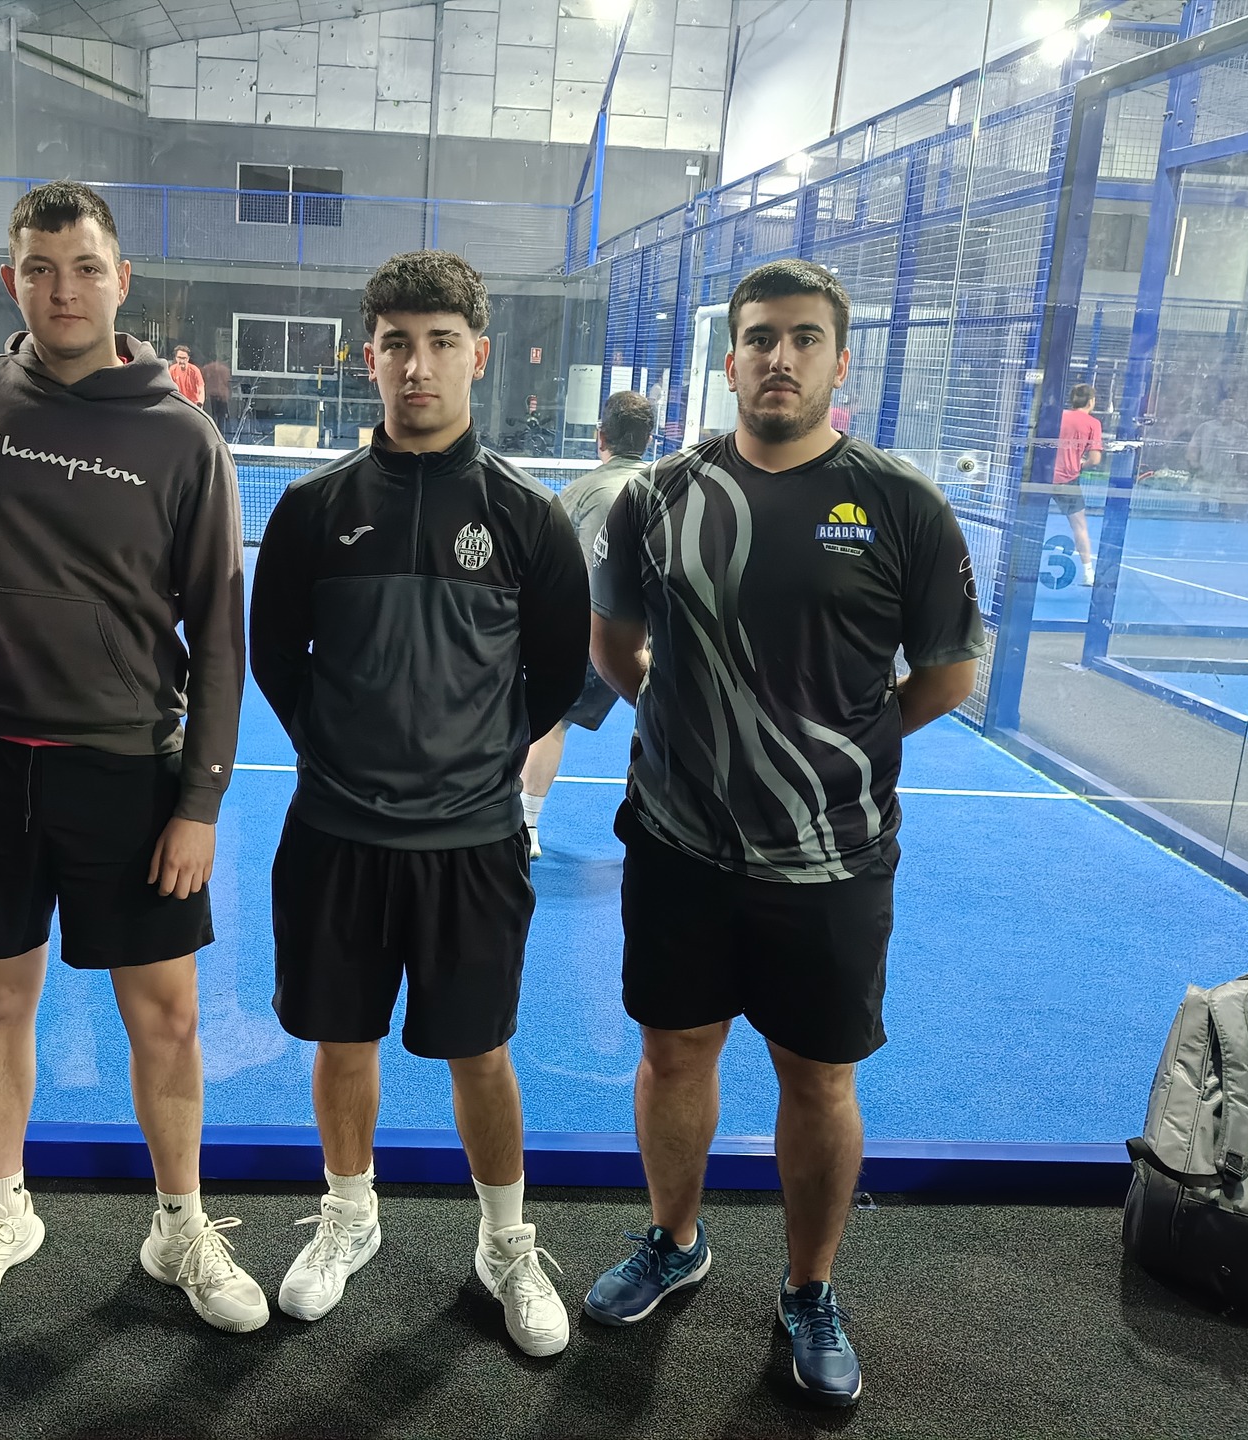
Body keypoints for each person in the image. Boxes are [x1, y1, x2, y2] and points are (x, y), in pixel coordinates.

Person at [583, 259, 985, 1406]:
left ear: (838, 362)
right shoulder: (658, 496)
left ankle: (809, 1289)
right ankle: (675, 1241)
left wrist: (836, 745)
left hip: (833, 858)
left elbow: (946, 676)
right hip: (678, 844)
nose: (780, 357)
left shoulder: (901, 505)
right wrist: (688, 725)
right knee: (675, 1055)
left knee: (819, 1081)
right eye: (760, 337)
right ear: (730, 361)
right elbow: (613, 648)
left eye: (805, 338)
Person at [0, 181, 260, 1333]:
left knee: (169, 1017)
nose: (64, 290)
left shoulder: (181, 434)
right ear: (12, 280)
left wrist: (200, 801)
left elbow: (221, 630)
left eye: (86, 268)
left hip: (128, 768)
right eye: (42, 269)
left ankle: (180, 1224)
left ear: (121, 281)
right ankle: (4, 1209)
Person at [250, 250, 590, 1357]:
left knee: (479, 1053)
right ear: (370, 358)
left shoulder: (530, 519)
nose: (418, 365)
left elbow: (552, 676)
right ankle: (350, 1217)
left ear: (478, 356)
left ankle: (506, 1245)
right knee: (343, 1040)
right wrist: (340, 753)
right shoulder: (311, 510)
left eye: (441, 343)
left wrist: (470, 763)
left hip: (473, 844)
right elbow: (275, 660)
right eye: (397, 343)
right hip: (335, 834)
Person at [519, 389, 654, 857]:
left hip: (591, 632)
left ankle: (527, 825)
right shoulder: (672, 488)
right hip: (658, 634)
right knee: (661, 721)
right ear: (648, 438)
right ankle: (661, 825)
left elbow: (552, 570)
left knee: (551, 722)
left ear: (601, 437)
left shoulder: (577, 493)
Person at [1053, 382, 1104, 585]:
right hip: (1067, 480)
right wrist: (1081, 464)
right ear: (1091, 401)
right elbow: (1095, 459)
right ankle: (1088, 573)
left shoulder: (1058, 416)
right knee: (1080, 526)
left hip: (1042, 476)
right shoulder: (1093, 424)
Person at [169, 343, 207, 408]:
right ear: (176, 358)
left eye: (184, 358)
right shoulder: (172, 370)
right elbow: (169, 388)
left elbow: (201, 388)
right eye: (179, 357)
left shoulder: (194, 370)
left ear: (188, 358)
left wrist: (200, 403)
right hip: (178, 404)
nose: (181, 361)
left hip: (193, 405)